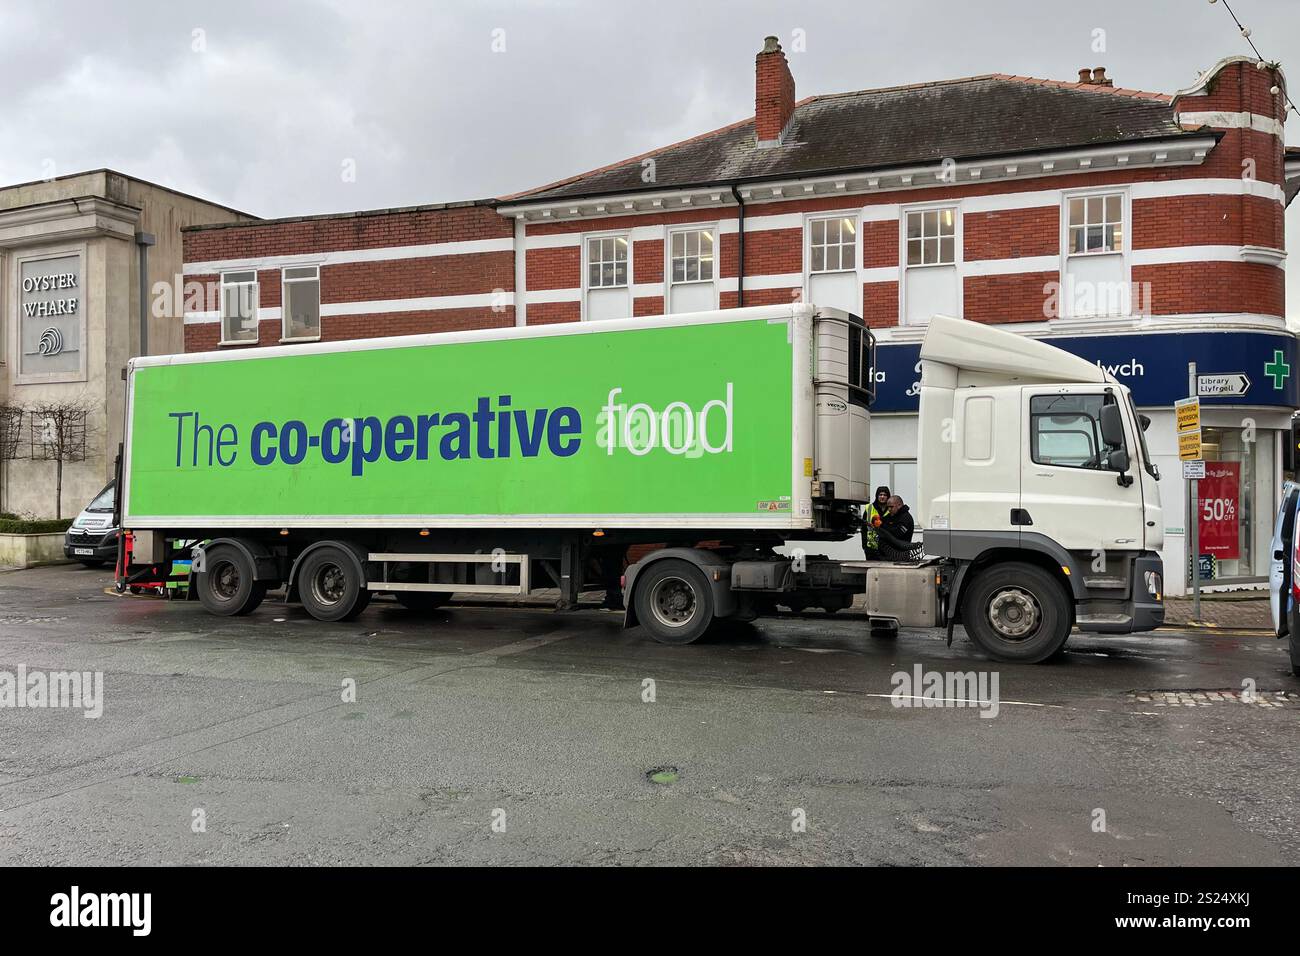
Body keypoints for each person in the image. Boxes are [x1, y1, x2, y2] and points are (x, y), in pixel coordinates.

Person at [876, 494, 916, 560]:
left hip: (900, 555)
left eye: (891, 507)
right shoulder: (892, 516)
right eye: (888, 507)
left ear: (899, 505)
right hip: (886, 555)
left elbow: (897, 533)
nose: (889, 509)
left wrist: (883, 527)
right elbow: (882, 522)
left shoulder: (906, 518)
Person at [862, 485, 891, 554]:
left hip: (887, 547)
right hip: (871, 547)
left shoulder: (891, 509)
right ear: (877, 496)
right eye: (880, 495)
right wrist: (864, 545)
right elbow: (864, 528)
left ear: (888, 497)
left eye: (885, 495)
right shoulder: (869, 508)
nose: (882, 497)